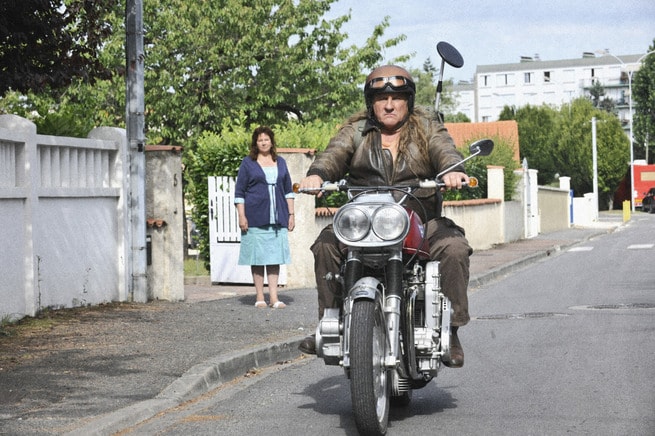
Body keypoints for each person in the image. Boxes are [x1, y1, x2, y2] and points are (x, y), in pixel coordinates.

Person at [297, 65, 471, 367]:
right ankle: (330, 323)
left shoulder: (427, 125)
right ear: (371, 102)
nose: (389, 104)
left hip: (418, 218)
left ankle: (451, 329)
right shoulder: (357, 130)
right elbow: (333, 153)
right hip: (364, 221)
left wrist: (453, 170)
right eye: (381, 98)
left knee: (454, 248)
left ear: (409, 100)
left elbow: (444, 149)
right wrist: (317, 174)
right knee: (325, 243)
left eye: (397, 97)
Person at [234, 126, 295, 309]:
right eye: (260, 140)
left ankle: (274, 298)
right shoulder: (247, 163)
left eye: (266, 139)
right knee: (258, 258)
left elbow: (288, 191)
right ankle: (260, 296)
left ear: (271, 142)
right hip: (255, 217)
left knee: (275, 258)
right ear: (255, 143)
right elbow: (239, 192)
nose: (263, 142)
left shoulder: (281, 162)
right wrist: (241, 216)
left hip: (277, 218)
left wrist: (291, 214)